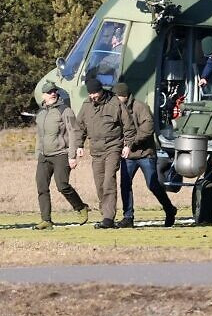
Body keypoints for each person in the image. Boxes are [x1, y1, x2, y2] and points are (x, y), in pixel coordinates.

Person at [113, 82, 178, 228]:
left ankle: (169, 209)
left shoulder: (140, 107)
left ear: (124, 95)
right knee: (125, 184)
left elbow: (148, 129)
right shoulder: (116, 109)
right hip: (128, 155)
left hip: (145, 154)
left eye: (117, 96)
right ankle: (128, 217)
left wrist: (130, 143)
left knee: (153, 184)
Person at [75, 76, 136, 228]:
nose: (92, 96)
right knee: (100, 184)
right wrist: (79, 145)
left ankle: (108, 218)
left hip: (113, 147)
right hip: (96, 150)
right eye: (90, 94)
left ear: (101, 91)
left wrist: (127, 145)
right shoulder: (87, 105)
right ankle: (105, 214)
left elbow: (128, 126)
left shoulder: (115, 103)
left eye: (95, 93)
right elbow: (80, 127)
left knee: (109, 180)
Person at [32, 81, 90, 229]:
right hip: (44, 156)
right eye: (49, 92)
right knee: (42, 187)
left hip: (61, 154)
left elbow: (73, 132)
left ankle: (80, 207)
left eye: (54, 91)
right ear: (43, 95)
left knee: (62, 185)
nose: (52, 93)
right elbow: (40, 135)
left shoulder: (65, 110)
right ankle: (46, 220)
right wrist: (38, 153)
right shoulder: (41, 113)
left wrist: (72, 155)